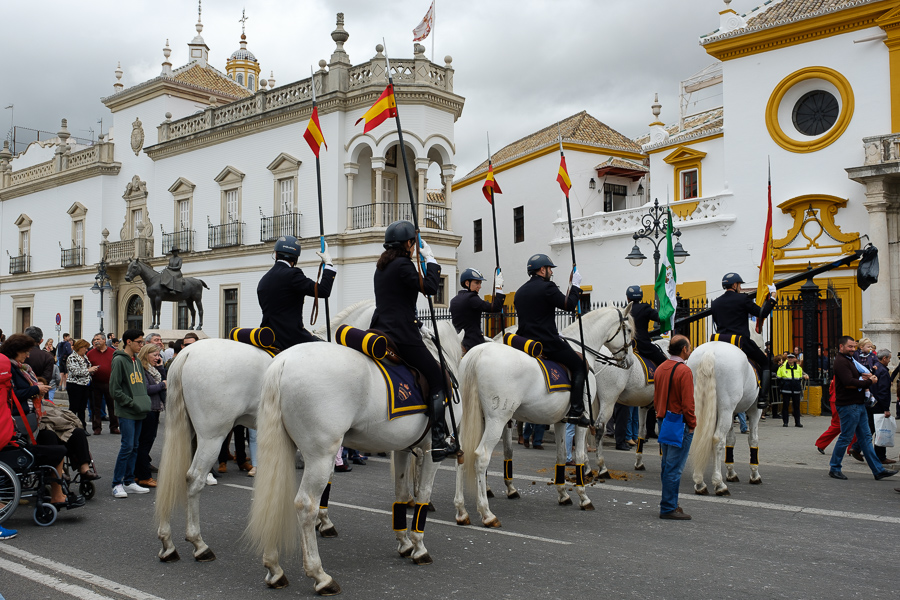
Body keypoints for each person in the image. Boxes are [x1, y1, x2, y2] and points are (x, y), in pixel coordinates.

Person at [370, 220, 457, 461]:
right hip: (402, 334)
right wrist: (431, 260)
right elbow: (429, 288)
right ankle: (438, 440)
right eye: (413, 243)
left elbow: (396, 301)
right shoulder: (403, 265)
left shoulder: (382, 267)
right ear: (409, 243)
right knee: (438, 378)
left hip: (380, 328)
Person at [514, 253, 590, 427]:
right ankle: (576, 411)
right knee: (579, 365)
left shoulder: (520, 291)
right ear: (542, 270)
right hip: (546, 343)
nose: (551, 272)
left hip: (525, 342)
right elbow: (569, 305)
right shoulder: (548, 287)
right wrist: (576, 286)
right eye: (550, 269)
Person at [0, 336, 76, 509]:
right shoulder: (12, 372)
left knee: (55, 440)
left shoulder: (19, 369)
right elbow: (17, 395)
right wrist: (35, 389)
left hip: (21, 424)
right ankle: (56, 493)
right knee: (55, 447)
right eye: (25, 352)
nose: (28, 356)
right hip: (18, 425)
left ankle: (56, 491)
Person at [828, 335, 897, 481]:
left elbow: (857, 376)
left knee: (866, 438)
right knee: (846, 437)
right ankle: (834, 468)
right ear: (841, 347)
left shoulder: (851, 360)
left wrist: (865, 377)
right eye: (850, 346)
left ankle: (878, 470)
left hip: (858, 404)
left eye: (854, 346)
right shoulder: (841, 361)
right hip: (848, 405)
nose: (853, 349)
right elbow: (848, 382)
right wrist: (869, 382)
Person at [710, 273, 776, 408]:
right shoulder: (742, 299)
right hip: (740, 341)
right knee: (765, 362)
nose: (740, 287)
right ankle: (763, 398)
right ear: (734, 285)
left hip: (720, 341)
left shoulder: (715, 303)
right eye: (739, 285)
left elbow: (716, 322)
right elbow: (762, 313)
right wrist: (773, 298)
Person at [258, 235, 335, 350]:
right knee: (328, 349)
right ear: (295, 258)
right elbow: (323, 291)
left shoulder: (264, 279)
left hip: (268, 336)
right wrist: (328, 263)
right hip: (291, 337)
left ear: (276, 254)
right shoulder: (293, 275)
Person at [653, 335, 696, 520]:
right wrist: (692, 423)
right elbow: (688, 403)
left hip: (663, 420)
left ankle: (669, 503)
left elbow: (656, 398)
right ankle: (668, 507)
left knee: (666, 465)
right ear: (684, 349)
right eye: (689, 347)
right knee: (674, 468)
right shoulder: (684, 371)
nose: (690, 350)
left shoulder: (660, 368)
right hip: (679, 422)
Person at [109, 329, 152, 498]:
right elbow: (115, 389)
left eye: (142, 342)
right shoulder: (119, 360)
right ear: (128, 342)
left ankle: (129, 481)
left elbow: (141, 386)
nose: (142, 345)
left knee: (134, 446)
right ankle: (117, 483)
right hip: (127, 411)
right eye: (139, 342)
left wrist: (143, 402)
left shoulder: (137, 361)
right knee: (127, 446)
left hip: (139, 410)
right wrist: (132, 403)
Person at [853, 348, 895, 465]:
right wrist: (886, 408)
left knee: (871, 427)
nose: (889, 361)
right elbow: (883, 392)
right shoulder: (883, 371)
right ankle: (880, 456)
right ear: (884, 358)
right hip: (878, 404)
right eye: (889, 358)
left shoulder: (874, 368)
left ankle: (856, 447)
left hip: (871, 402)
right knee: (880, 430)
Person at [449, 267, 505, 352]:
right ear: (467, 283)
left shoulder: (454, 300)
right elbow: (496, 307)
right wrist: (498, 287)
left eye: (480, 283)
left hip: (459, 344)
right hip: (473, 345)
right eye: (477, 283)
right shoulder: (472, 298)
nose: (480, 286)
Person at [135, 342, 166, 487]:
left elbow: (164, 379)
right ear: (146, 355)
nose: (157, 358)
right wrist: (162, 385)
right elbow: (146, 389)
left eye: (159, 355)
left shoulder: (153, 369)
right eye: (154, 355)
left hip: (154, 408)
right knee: (144, 443)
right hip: (148, 409)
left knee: (146, 442)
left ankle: (138, 473)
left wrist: (160, 367)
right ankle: (144, 476)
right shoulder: (142, 369)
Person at [625, 285, 667, 367]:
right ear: (641, 296)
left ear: (628, 298)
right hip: (643, 346)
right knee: (666, 364)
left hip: (627, 345)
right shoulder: (645, 308)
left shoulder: (624, 310)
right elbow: (660, 318)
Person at [87, 332, 118, 435]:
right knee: (96, 407)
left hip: (110, 383)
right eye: (95, 339)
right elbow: (86, 366)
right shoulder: (90, 353)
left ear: (104, 340)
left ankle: (114, 427)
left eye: (98, 339)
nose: (96, 341)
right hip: (95, 383)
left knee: (112, 406)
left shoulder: (113, 352)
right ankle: (97, 427)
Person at [65, 339, 97, 431]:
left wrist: (92, 370)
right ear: (80, 347)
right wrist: (89, 370)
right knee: (74, 407)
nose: (86, 350)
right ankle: (71, 427)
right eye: (85, 348)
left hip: (85, 384)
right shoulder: (72, 357)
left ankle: (82, 428)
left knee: (82, 408)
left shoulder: (84, 357)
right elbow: (75, 372)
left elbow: (86, 368)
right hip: (75, 384)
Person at [776, 353, 807, 427]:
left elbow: (800, 377)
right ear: (787, 359)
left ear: (794, 359)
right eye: (789, 358)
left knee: (796, 407)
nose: (790, 359)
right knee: (785, 406)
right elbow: (778, 377)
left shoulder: (798, 367)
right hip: (786, 389)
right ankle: (785, 422)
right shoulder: (782, 367)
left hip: (796, 389)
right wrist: (782, 385)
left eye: (792, 358)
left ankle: (797, 422)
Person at [815, 379, 841, 454]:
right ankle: (821, 443)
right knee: (838, 425)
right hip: (839, 400)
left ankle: (854, 447)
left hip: (837, 399)